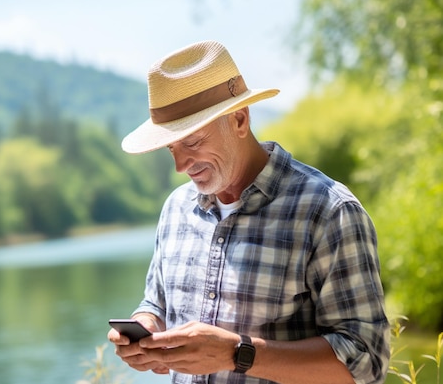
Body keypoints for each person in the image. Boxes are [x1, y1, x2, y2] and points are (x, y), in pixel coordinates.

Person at [107, 40, 390, 384]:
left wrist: (236, 353)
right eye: (171, 148)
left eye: (193, 142)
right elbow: (157, 303)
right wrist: (146, 327)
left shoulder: (327, 211)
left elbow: (366, 361)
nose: (180, 165)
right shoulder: (175, 209)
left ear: (240, 120)